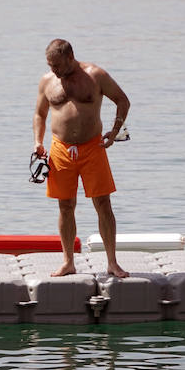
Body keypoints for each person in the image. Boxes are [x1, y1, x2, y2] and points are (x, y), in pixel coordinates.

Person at [33, 38, 130, 278]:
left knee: (103, 205)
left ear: (70, 57)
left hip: (92, 148)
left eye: (57, 65)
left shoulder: (95, 75)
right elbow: (39, 114)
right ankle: (68, 262)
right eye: (50, 65)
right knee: (65, 206)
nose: (54, 70)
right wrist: (37, 142)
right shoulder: (47, 80)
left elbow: (122, 100)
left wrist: (115, 130)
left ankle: (112, 263)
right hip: (60, 149)